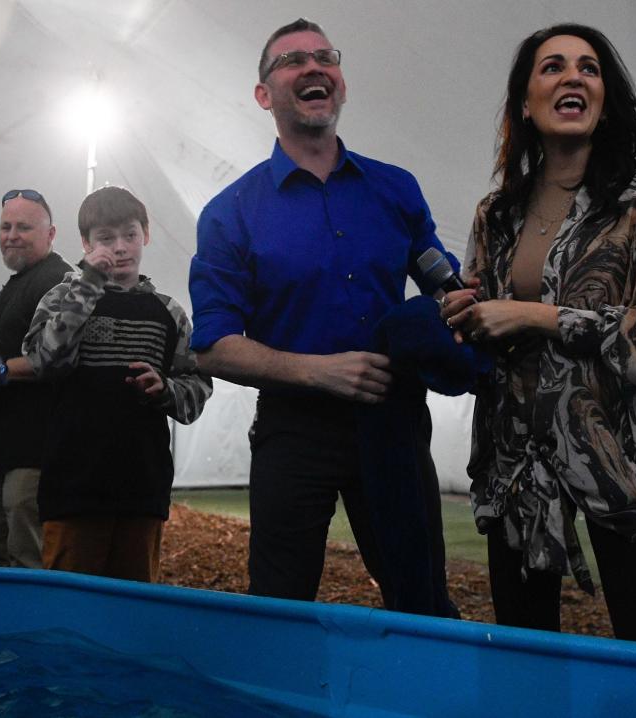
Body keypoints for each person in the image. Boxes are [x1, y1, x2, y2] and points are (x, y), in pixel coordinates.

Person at [442, 24, 636, 644]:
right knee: (525, 654)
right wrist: (464, 318)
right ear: (526, 101)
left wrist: (539, 316)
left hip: (632, 465)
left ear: (604, 100)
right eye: (552, 67)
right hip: (519, 467)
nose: (573, 76)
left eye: (588, 68)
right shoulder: (497, 214)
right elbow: (480, 325)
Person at [188, 19, 459, 615]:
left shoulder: (396, 189)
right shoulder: (230, 212)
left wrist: (463, 306)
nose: (312, 67)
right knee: (279, 610)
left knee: (424, 604)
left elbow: (446, 282)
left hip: (393, 424)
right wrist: (317, 372)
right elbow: (210, 345)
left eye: (324, 57)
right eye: (291, 60)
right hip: (294, 432)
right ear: (264, 94)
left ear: (339, 82)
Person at [22, 186, 211, 582]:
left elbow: (196, 389)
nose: (120, 247)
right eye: (105, 239)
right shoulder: (61, 298)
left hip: (142, 487)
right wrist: (89, 284)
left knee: (133, 609)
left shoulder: (168, 312)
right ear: (86, 244)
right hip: (74, 488)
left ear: (146, 234)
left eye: (129, 234)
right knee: (71, 606)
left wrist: (166, 390)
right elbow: (46, 361)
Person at [0, 189, 72, 568]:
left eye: (23, 227)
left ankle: (33, 628)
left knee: (27, 559)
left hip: (35, 453)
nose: (11, 235)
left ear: (51, 234)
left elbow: (54, 356)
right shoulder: (14, 285)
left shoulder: (58, 280)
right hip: (2, 450)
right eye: (5, 227)